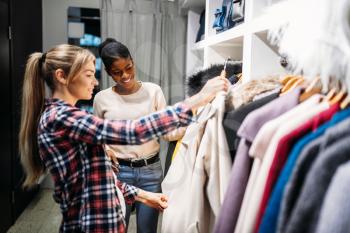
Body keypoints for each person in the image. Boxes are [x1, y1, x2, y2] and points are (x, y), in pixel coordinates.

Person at [19, 44, 229, 233]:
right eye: (89, 75)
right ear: (62, 76)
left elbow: (98, 179)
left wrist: (145, 196)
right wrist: (198, 99)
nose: (95, 81)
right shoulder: (63, 118)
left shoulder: (65, 116)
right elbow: (133, 132)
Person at [93, 38, 187, 233]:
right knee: (118, 228)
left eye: (128, 68)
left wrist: (194, 123)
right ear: (110, 73)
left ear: (133, 61)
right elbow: (97, 137)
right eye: (117, 73)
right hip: (118, 172)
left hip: (150, 172)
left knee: (147, 230)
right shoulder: (101, 99)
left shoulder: (154, 91)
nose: (125, 75)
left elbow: (167, 132)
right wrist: (106, 148)